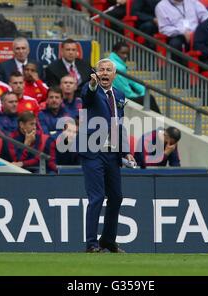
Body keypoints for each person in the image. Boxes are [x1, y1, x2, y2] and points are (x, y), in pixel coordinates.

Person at [80, 58, 135, 253]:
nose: (104, 73)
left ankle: (108, 240)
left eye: (108, 70)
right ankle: (91, 243)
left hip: (112, 153)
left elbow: (120, 125)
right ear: (96, 73)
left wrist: (127, 151)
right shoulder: (91, 89)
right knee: (97, 197)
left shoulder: (118, 95)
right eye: (101, 69)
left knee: (116, 197)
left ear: (114, 75)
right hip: (93, 152)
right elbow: (87, 95)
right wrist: (92, 84)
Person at [108, 42, 161, 112]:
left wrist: (143, 91)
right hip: (119, 99)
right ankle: (161, 120)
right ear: (115, 52)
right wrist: (138, 95)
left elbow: (131, 81)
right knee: (149, 99)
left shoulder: (115, 63)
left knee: (147, 97)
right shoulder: (116, 66)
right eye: (123, 53)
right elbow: (124, 90)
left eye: (127, 53)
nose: (125, 56)